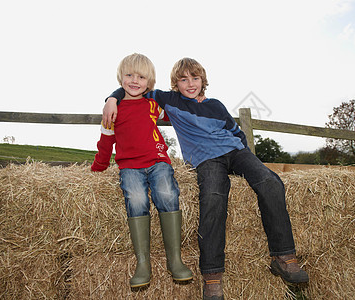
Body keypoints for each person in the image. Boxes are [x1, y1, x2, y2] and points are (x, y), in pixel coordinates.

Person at [103, 57, 308, 299]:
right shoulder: (169, 100)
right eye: (183, 79)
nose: (190, 84)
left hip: (235, 152)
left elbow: (236, 132)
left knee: (270, 181)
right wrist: (111, 99)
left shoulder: (216, 105)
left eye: (195, 78)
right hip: (206, 160)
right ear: (175, 84)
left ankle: (284, 256)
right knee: (213, 198)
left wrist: (247, 161)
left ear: (203, 81)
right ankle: (212, 276)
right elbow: (136, 86)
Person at [91, 53, 193, 288]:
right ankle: (143, 263)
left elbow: (176, 109)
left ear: (150, 82)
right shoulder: (112, 110)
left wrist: (196, 99)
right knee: (136, 199)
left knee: (167, 194)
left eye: (141, 76)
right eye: (129, 75)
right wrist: (99, 166)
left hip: (158, 161)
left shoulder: (153, 104)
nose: (135, 81)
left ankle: (174, 260)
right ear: (120, 77)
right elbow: (106, 141)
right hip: (130, 166)